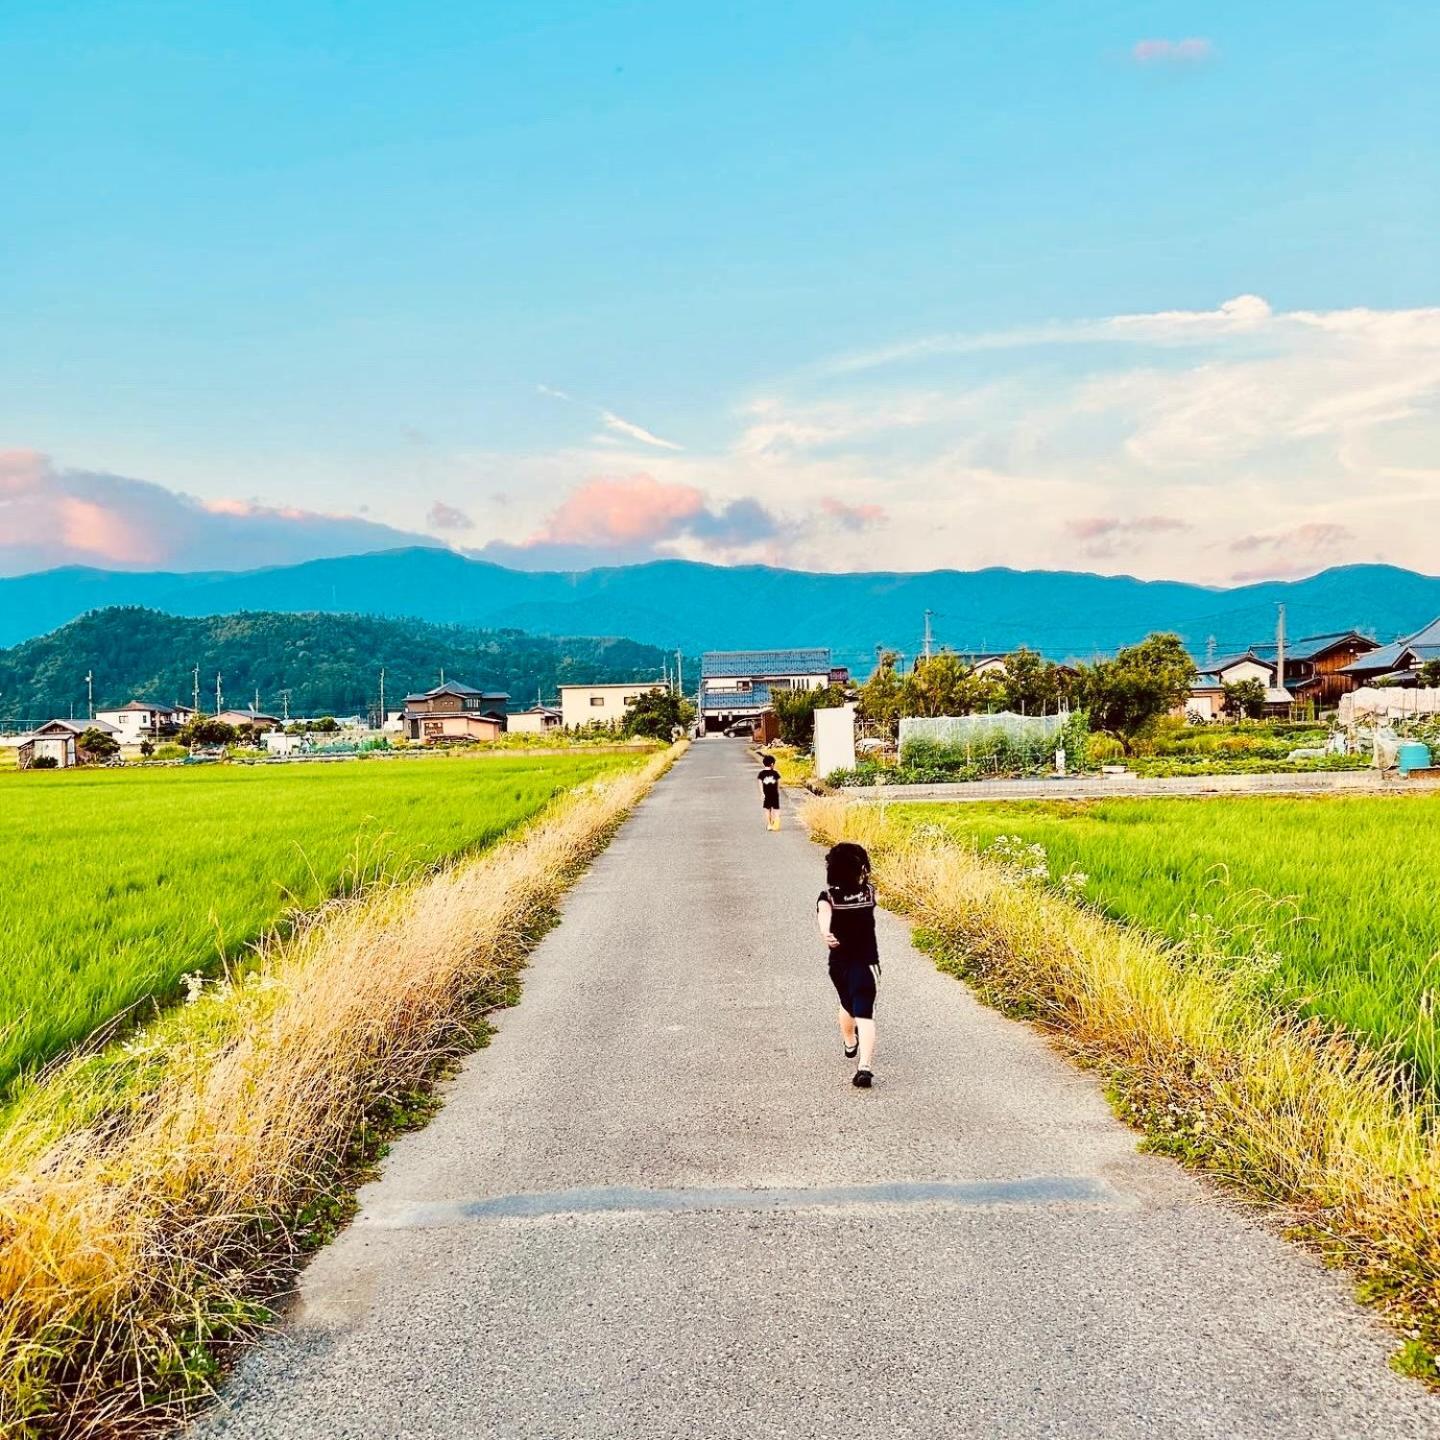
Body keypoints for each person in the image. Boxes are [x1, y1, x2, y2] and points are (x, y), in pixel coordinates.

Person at [815, 841, 880, 1087]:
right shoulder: (869, 893)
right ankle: (864, 1066)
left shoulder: (828, 896)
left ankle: (850, 1043)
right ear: (861, 868)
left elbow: (824, 915)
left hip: (838, 965)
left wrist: (826, 933)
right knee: (864, 1012)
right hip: (866, 963)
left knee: (847, 1004)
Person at [757, 753, 782, 831]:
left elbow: (760, 784)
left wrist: (762, 793)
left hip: (766, 794)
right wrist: (777, 791)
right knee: (776, 809)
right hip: (774, 794)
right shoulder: (775, 773)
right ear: (772, 764)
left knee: (767, 809)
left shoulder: (761, 774)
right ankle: (776, 822)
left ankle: (769, 824)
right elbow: (778, 783)